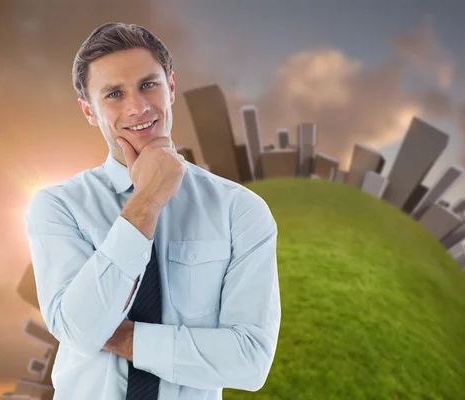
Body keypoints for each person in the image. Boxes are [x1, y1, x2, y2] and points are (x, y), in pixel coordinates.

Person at [25, 22, 281, 400]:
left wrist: (124, 337)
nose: (137, 107)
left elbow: (250, 361)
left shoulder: (240, 210)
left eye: (148, 85)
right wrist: (146, 201)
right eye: (113, 93)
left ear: (171, 87)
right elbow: (79, 331)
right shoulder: (59, 207)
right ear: (89, 111)